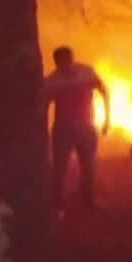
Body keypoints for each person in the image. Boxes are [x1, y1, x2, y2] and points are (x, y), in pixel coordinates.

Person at [43, 46, 108, 214]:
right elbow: (43, 106)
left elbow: (103, 91)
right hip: (63, 129)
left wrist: (107, 118)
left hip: (86, 127)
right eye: (61, 62)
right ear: (56, 62)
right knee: (60, 169)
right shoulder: (52, 81)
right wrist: (42, 130)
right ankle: (57, 206)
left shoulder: (86, 72)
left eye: (68, 60)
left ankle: (89, 200)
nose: (65, 64)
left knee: (88, 167)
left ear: (72, 59)